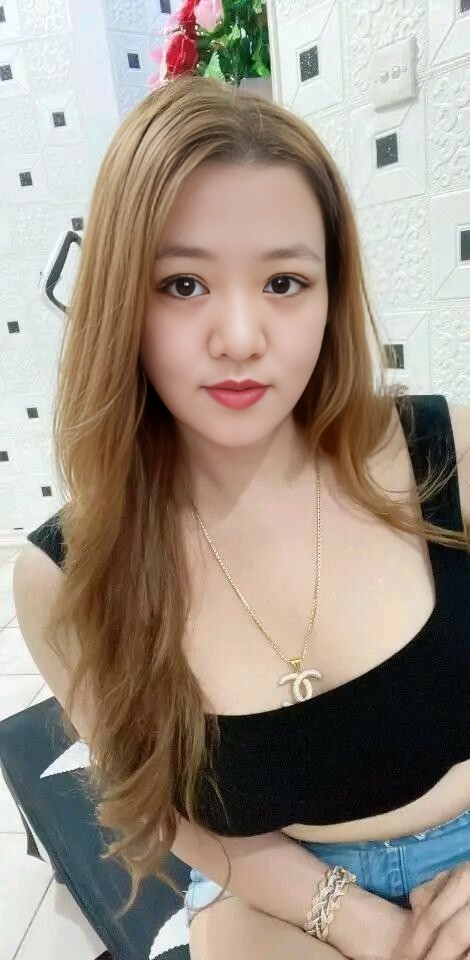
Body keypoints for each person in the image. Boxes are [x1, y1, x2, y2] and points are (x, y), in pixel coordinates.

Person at [12, 74, 470, 960]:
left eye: (285, 282)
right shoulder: (66, 577)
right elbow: (174, 811)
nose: (239, 337)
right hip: (279, 881)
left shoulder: (446, 451)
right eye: (182, 283)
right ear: (118, 300)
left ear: (332, 294)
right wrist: (365, 925)